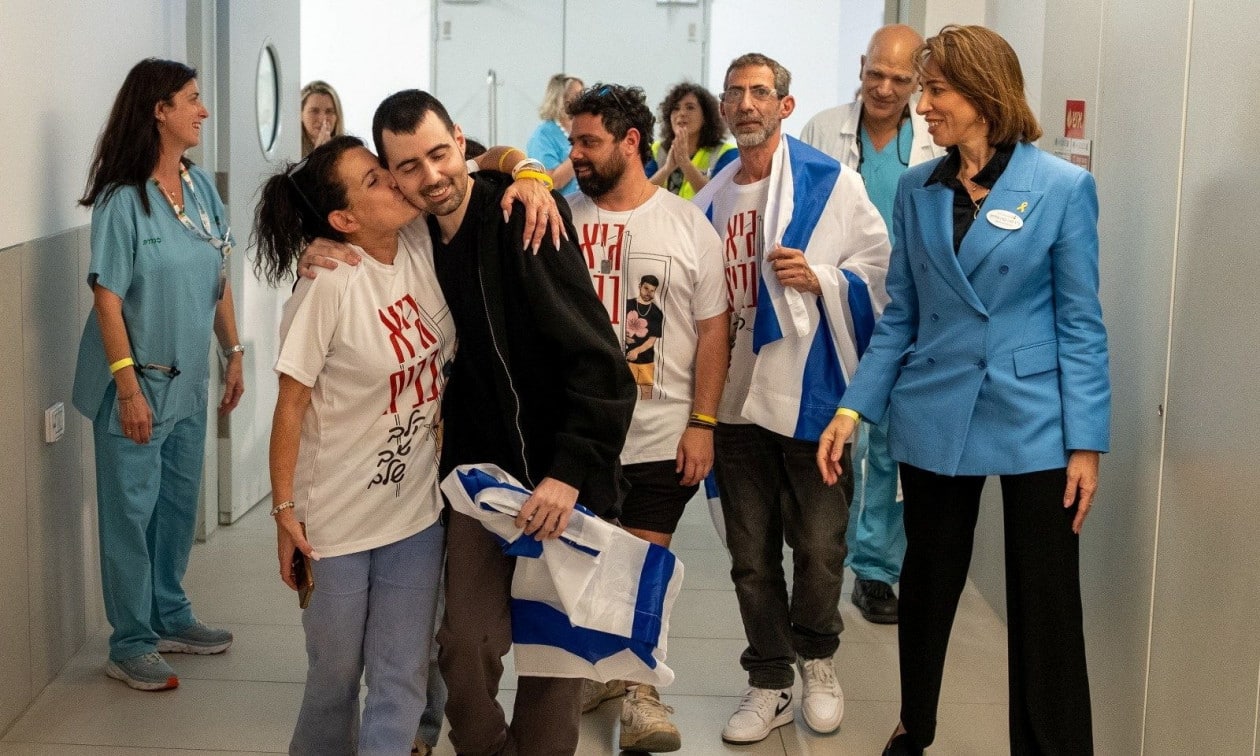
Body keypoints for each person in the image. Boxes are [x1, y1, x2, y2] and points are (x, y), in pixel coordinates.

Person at [816, 25, 1110, 756]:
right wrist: (854, 406)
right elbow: (902, 316)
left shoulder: (1062, 188)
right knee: (929, 583)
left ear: (983, 93)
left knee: (1045, 599)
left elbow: (1080, 324)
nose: (921, 106)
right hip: (936, 407)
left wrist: (1087, 444)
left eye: (936, 91)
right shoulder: (918, 189)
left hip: (1036, 417)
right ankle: (914, 726)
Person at [370, 89, 635, 756]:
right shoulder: (413, 240)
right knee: (464, 644)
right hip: (477, 483)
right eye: (408, 166)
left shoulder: (523, 218)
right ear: (392, 175)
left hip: (562, 482)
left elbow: (601, 363)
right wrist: (320, 246)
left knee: (553, 665)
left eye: (439, 154)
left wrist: (569, 474)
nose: (431, 176)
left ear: (460, 141)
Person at [690, 53, 891, 745]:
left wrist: (823, 277)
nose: (746, 104)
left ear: (785, 104)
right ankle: (769, 678)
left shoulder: (831, 183)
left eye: (760, 92)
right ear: (723, 108)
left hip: (812, 397)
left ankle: (817, 659)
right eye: (735, 93)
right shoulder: (711, 196)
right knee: (749, 553)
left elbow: (880, 273)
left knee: (820, 546)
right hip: (732, 400)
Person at [255, 135, 453, 754]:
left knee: (401, 676)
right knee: (334, 678)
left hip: (414, 513)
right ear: (343, 220)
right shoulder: (329, 283)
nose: (395, 180)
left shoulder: (420, 240)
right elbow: (290, 405)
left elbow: (476, 159)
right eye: (374, 180)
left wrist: (525, 170)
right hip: (334, 523)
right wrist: (284, 512)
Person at [564, 83, 729, 752]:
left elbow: (714, 330)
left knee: (643, 565)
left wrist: (703, 422)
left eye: (589, 142)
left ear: (631, 142)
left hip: (661, 434)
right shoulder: (561, 219)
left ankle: (640, 692)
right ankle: (602, 674)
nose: (576, 154)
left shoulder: (686, 224)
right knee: (586, 567)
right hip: (579, 436)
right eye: (572, 141)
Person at [72, 58, 244, 691]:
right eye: (191, 99)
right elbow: (107, 300)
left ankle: (169, 614)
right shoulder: (123, 201)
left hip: (187, 382)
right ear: (159, 110)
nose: (203, 110)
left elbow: (219, 275)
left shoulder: (199, 190)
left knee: (175, 508)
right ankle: (130, 642)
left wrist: (233, 351)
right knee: (129, 516)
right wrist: (127, 390)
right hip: (136, 386)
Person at [799, 24, 944, 626]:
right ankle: (819, 559)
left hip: (908, 311)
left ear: (918, 81)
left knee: (888, 443)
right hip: (837, 306)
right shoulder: (822, 129)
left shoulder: (934, 142)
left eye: (900, 79)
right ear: (861, 66)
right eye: (875, 74)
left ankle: (877, 570)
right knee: (829, 434)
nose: (884, 88)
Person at [645, 82, 738, 199]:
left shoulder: (726, 153)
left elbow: (718, 199)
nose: (682, 113)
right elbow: (639, 197)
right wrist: (666, 169)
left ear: (706, 116)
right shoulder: (655, 150)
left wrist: (685, 164)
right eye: (676, 108)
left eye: (690, 107)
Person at [526, 73, 584, 195]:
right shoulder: (542, 135)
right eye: (577, 95)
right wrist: (582, 150)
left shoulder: (581, 129)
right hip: (560, 204)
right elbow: (550, 181)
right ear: (561, 99)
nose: (584, 100)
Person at [300, 80, 345, 157]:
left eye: (329, 111)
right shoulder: (289, 151)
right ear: (300, 114)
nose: (322, 120)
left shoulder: (348, 155)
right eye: (314, 111)